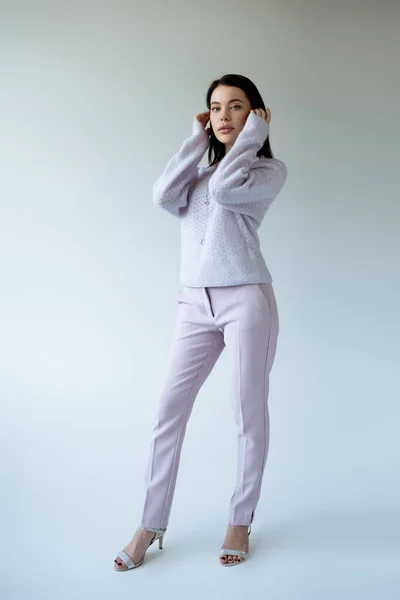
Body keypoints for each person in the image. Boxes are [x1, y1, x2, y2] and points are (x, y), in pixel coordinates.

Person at [114, 73, 288, 570]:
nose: (224, 116)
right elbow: (163, 195)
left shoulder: (267, 171)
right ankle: (150, 523)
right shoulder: (198, 176)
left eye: (237, 107)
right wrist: (195, 142)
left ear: (256, 115)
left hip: (246, 301)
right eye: (215, 108)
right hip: (194, 303)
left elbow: (231, 192)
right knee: (168, 409)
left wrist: (252, 137)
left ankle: (240, 517)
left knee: (246, 410)